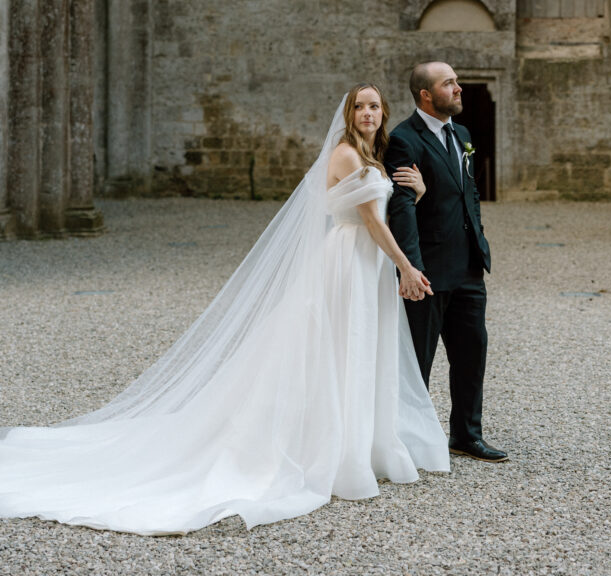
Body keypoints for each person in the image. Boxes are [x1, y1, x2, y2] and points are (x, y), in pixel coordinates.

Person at [0, 85, 449, 536]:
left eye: (374, 106)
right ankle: (334, 449)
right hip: (350, 261)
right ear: (349, 114)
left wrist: (420, 194)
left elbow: (381, 214)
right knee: (340, 345)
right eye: (359, 106)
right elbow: (370, 220)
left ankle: (359, 442)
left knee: (357, 346)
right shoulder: (347, 156)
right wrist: (406, 267)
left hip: (365, 261)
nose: (367, 112)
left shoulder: (373, 157)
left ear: (383, 112)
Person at [385, 62, 508, 463]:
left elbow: (468, 193)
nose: (458, 89)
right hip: (429, 270)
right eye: (449, 84)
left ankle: (467, 436)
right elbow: (402, 209)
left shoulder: (463, 134)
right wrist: (411, 268)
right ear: (425, 95)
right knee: (417, 361)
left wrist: (480, 240)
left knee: (472, 353)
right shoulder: (404, 139)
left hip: (469, 267)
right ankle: (406, 441)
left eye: (456, 82)